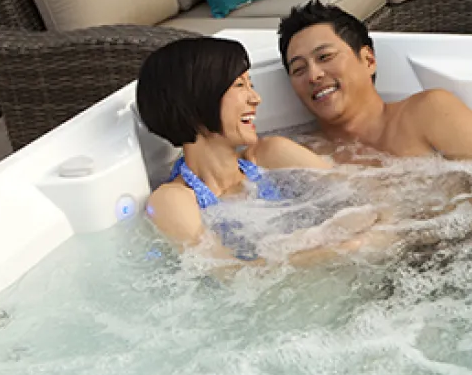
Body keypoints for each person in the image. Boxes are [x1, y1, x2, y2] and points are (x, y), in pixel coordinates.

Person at [135, 36, 385, 264]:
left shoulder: (270, 156)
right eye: (239, 86)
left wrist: (370, 237)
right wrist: (338, 249)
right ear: (197, 99)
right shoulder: (173, 200)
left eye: (250, 84)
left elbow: (366, 192)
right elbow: (229, 274)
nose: (255, 99)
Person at [277, 0, 472, 163]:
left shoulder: (429, 111)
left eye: (325, 57)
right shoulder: (303, 156)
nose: (313, 75)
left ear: (368, 60)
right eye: (298, 69)